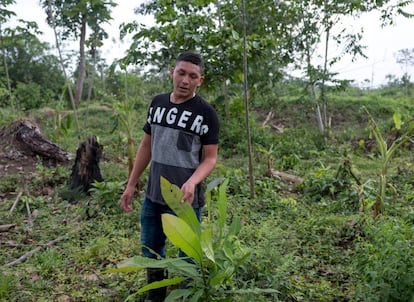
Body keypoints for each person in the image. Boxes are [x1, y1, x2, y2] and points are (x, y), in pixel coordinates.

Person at [120, 51, 219, 302]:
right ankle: (155, 297)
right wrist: (131, 184)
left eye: (192, 76)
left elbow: (210, 158)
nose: (185, 80)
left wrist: (193, 181)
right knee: (151, 251)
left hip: (185, 201)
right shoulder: (157, 103)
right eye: (181, 73)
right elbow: (146, 146)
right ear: (171, 73)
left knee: (188, 256)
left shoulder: (206, 113)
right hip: (153, 196)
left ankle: (187, 297)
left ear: (200, 80)